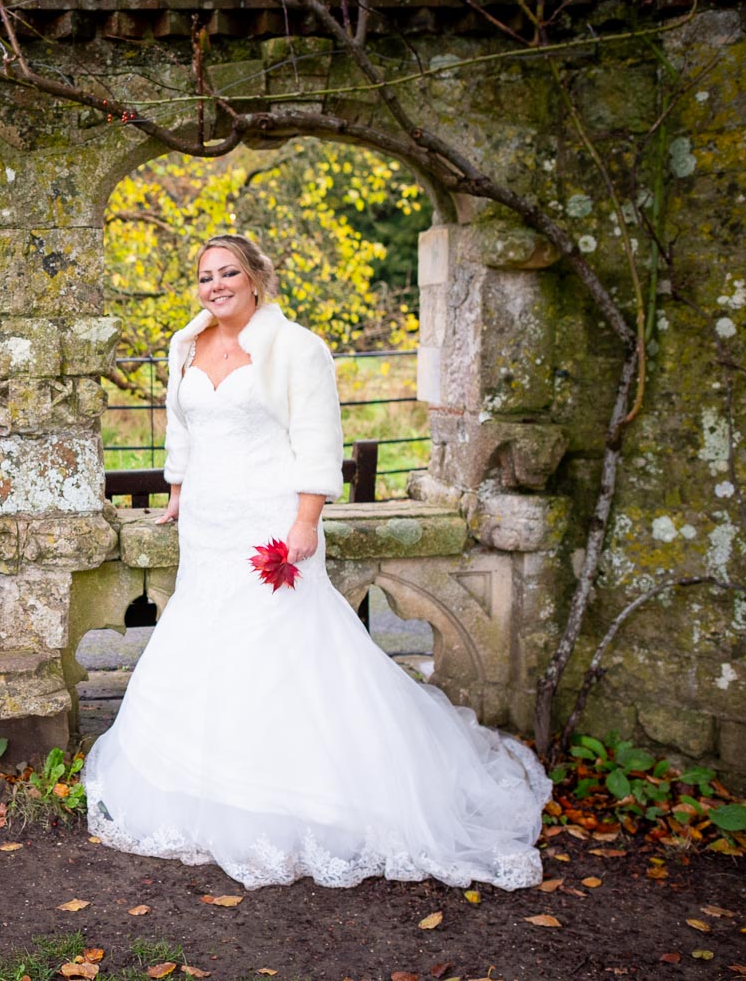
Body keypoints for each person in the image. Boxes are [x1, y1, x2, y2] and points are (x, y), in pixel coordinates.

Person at [83, 234, 550, 891]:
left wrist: (305, 520)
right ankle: (207, 784)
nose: (214, 285)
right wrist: (179, 488)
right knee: (206, 640)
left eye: (227, 274)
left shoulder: (297, 349)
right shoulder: (186, 345)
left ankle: (294, 792)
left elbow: (318, 438)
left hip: (273, 524)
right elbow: (181, 424)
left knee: (282, 647)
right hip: (209, 529)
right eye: (204, 276)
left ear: (254, 279)